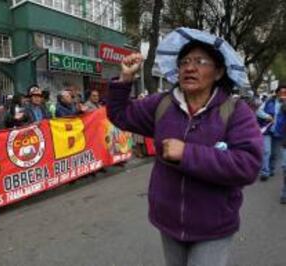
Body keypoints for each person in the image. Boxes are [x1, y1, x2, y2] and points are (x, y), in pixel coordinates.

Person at [106, 27, 263, 266]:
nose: (190, 67)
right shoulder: (162, 105)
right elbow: (120, 115)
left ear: (219, 72)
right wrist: (126, 79)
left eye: (201, 61)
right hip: (168, 221)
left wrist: (186, 153)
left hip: (214, 225)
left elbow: (248, 166)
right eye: (185, 62)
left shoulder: (235, 112)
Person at [256, 85, 286, 182]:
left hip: (279, 132)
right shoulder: (269, 101)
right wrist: (267, 116)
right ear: (277, 92)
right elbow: (258, 111)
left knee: (274, 154)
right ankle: (265, 172)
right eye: (281, 92)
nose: (283, 94)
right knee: (266, 151)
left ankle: (271, 168)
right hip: (268, 130)